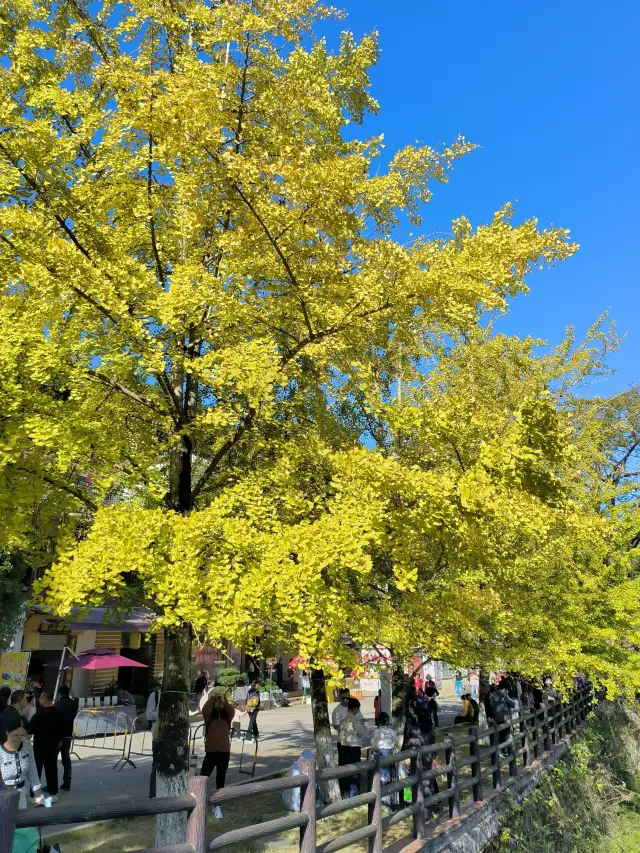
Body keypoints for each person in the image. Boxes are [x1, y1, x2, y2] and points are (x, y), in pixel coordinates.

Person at [201, 692, 234, 819]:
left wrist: (224, 700)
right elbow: (205, 709)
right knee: (203, 777)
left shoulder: (227, 717)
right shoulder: (209, 717)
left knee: (220, 779)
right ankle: (199, 800)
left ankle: (218, 805)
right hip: (211, 752)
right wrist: (213, 697)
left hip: (224, 752)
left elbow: (231, 710)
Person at [0, 721, 44, 809]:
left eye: (22, 735)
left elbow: (32, 770)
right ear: (7, 732)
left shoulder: (27, 745)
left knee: (21, 820)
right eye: (15, 735)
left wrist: (38, 794)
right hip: (3, 796)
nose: (18, 739)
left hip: (21, 794)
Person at [29, 691, 63, 801]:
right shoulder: (58, 712)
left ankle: (35, 793)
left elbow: (30, 728)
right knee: (51, 768)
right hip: (53, 745)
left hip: (40, 744)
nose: (39, 700)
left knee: (37, 769)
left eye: (40, 698)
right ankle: (53, 792)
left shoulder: (40, 713)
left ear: (45, 699)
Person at [338, 698, 366, 797]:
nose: (358, 711)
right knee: (354, 772)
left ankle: (345, 795)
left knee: (345, 772)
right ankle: (354, 795)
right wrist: (363, 725)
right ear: (354, 708)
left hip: (344, 747)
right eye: (358, 709)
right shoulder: (354, 719)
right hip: (353, 748)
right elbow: (361, 732)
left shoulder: (343, 719)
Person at [55, 685, 78, 792]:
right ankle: (67, 782)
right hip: (68, 734)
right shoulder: (74, 704)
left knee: (53, 760)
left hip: (57, 735)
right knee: (66, 759)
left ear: (59, 693)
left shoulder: (57, 705)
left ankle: (52, 783)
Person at [332, 688, 364, 762]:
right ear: (339, 697)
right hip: (343, 742)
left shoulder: (353, 706)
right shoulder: (337, 710)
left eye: (348, 698)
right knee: (344, 764)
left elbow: (361, 719)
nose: (346, 700)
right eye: (344, 698)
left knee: (356, 765)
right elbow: (335, 725)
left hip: (355, 742)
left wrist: (359, 726)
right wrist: (347, 727)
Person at [371, 712, 396, 803]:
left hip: (379, 753)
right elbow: (394, 742)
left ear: (378, 721)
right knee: (389, 776)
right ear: (388, 721)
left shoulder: (376, 732)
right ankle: (390, 798)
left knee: (380, 776)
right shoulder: (392, 732)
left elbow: (373, 745)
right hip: (389, 753)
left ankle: (382, 799)